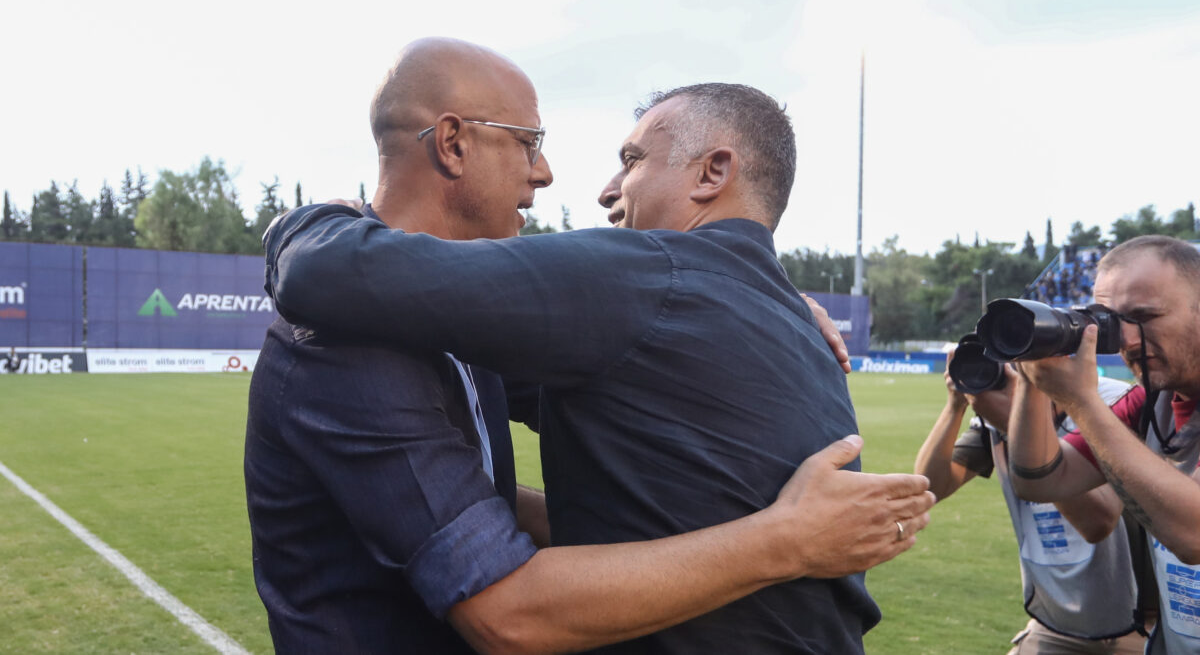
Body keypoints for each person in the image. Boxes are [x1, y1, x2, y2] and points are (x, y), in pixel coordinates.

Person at [246, 38, 934, 655]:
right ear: (452, 143)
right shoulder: (352, 335)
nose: (556, 176)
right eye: (528, 142)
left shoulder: (650, 282)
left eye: (630, 161)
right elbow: (508, 603)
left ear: (711, 174)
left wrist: (299, 229)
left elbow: (325, 273)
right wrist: (785, 537)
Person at [1007, 234, 1200, 654]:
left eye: (1145, 316)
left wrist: (1082, 402)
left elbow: (1193, 535)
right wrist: (1033, 376)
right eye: (1112, 320)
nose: (1127, 340)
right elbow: (1040, 480)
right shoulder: (1152, 404)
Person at [915, 352, 1143, 654]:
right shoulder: (996, 415)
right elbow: (929, 487)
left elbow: (1097, 521)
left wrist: (1014, 424)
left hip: (1137, 626)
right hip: (1054, 623)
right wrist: (955, 405)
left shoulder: (1115, 402)